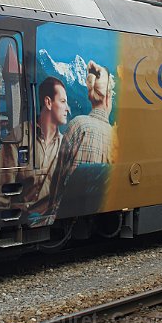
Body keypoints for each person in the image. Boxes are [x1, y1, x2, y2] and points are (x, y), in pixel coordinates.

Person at [0, 76, 70, 221]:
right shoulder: (19, 136)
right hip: (19, 222)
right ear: (48, 102)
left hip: (49, 221)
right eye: (62, 101)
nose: (67, 108)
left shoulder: (64, 145)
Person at [47, 60, 114, 218]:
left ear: (90, 95)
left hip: (68, 213)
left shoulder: (78, 125)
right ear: (108, 97)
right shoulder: (115, 137)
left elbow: (57, 180)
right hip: (102, 214)